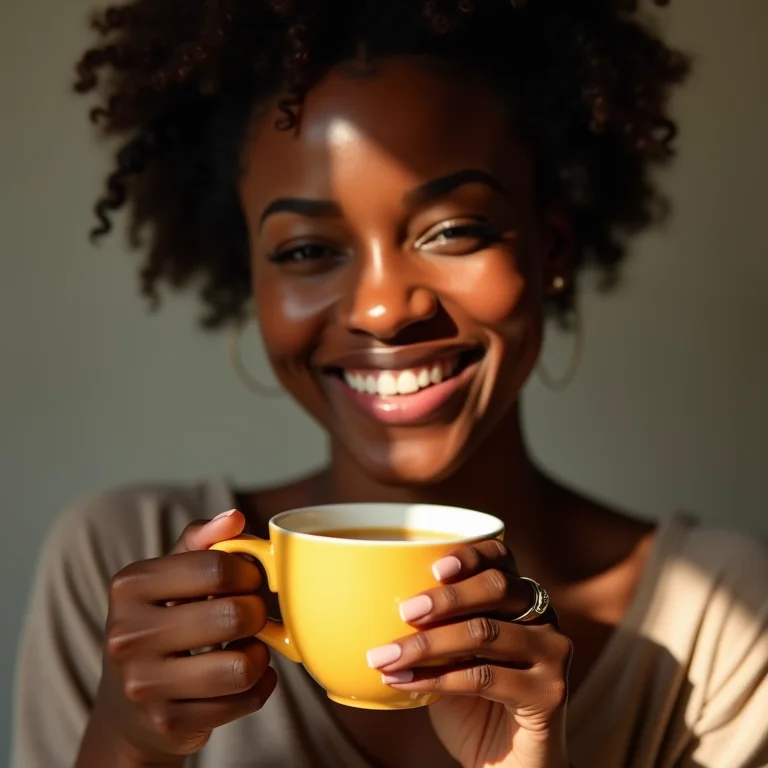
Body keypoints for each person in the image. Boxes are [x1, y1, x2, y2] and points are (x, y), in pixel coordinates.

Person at [11, 1, 768, 767]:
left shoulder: (718, 621)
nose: (382, 310)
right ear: (252, 281)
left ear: (552, 249)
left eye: (452, 231)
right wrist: (128, 743)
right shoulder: (120, 562)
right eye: (306, 250)